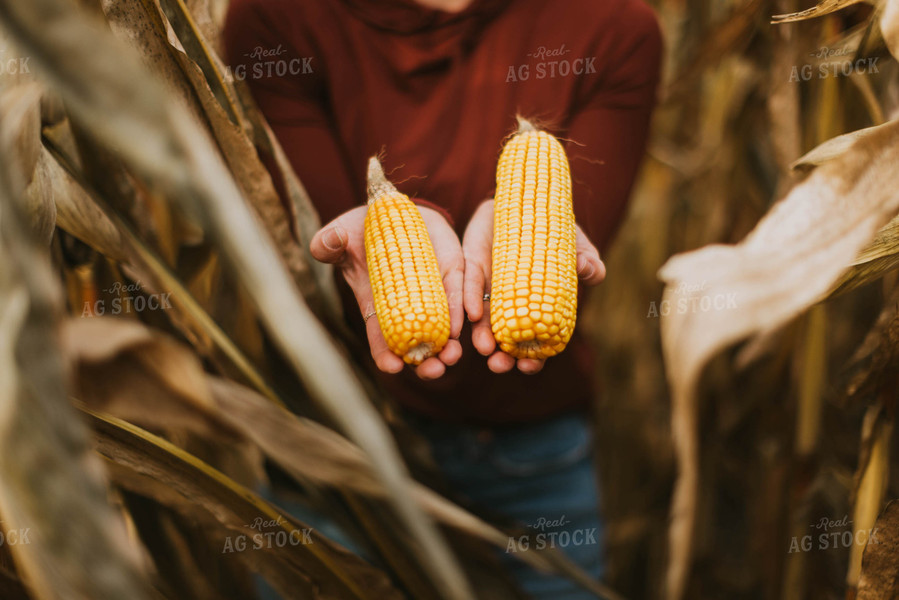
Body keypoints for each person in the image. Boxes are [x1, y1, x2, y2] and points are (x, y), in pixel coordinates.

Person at [224, 0, 662, 597]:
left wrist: (506, 224)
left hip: (529, 448)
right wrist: (403, 221)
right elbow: (307, 233)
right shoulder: (278, 19)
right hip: (340, 438)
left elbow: (570, 239)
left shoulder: (615, 26)